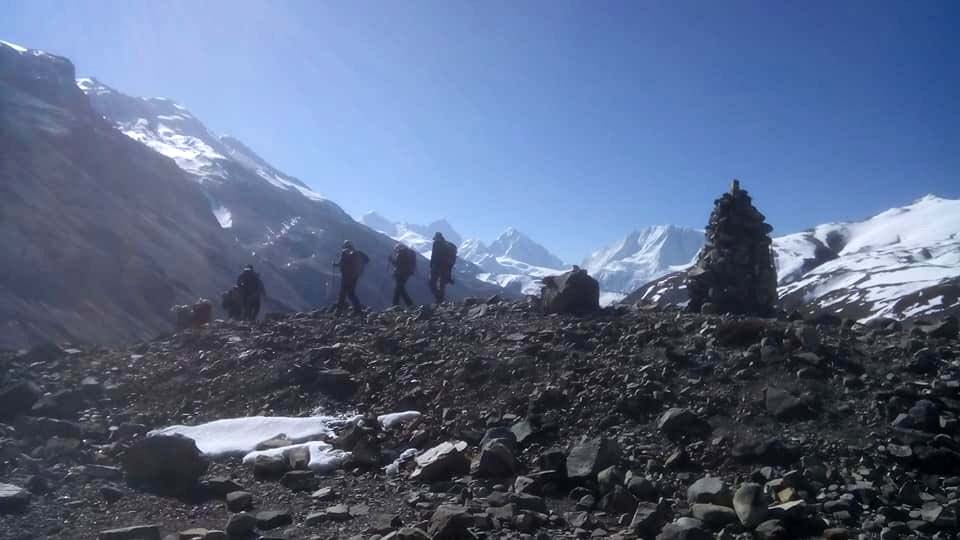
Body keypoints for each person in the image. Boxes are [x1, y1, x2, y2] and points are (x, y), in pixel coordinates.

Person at [333, 240, 369, 316]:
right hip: (354, 277)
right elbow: (367, 260)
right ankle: (358, 309)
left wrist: (335, 264)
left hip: (346, 277)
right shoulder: (357, 253)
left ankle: (338, 311)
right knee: (351, 293)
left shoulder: (345, 252)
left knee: (342, 294)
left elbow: (342, 263)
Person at [429, 232, 457, 303]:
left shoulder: (436, 244)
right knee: (442, 285)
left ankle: (439, 299)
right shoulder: (448, 245)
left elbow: (433, 255)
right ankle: (441, 300)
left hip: (437, 266)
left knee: (432, 283)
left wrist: (431, 265)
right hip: (446, 268)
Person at [389, 243, 417, 307]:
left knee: (399, 289)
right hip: (407, 274)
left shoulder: (401, 253)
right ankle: (402, 304)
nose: (396, 251)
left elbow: (397, 264)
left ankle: (399, 304)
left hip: (400, 274)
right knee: (400, 289)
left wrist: (391, 260)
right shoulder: (408, 253)